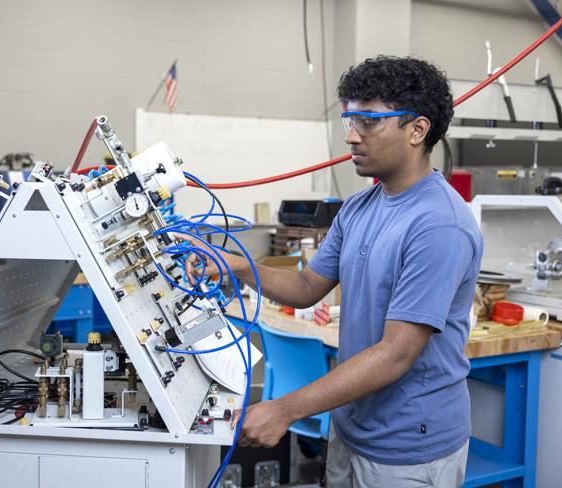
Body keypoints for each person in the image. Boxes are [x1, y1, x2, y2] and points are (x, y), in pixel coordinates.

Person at [183, 56, 483, 487]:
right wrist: (235, 266)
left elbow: (396, 354)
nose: (351, 136)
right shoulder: (360, 206)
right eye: (348, 119)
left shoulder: (439, 225)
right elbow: (306, 286)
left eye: (367, 122)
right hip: (351, 427)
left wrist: (285, 409)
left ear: (417, 130)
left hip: (409, 446)